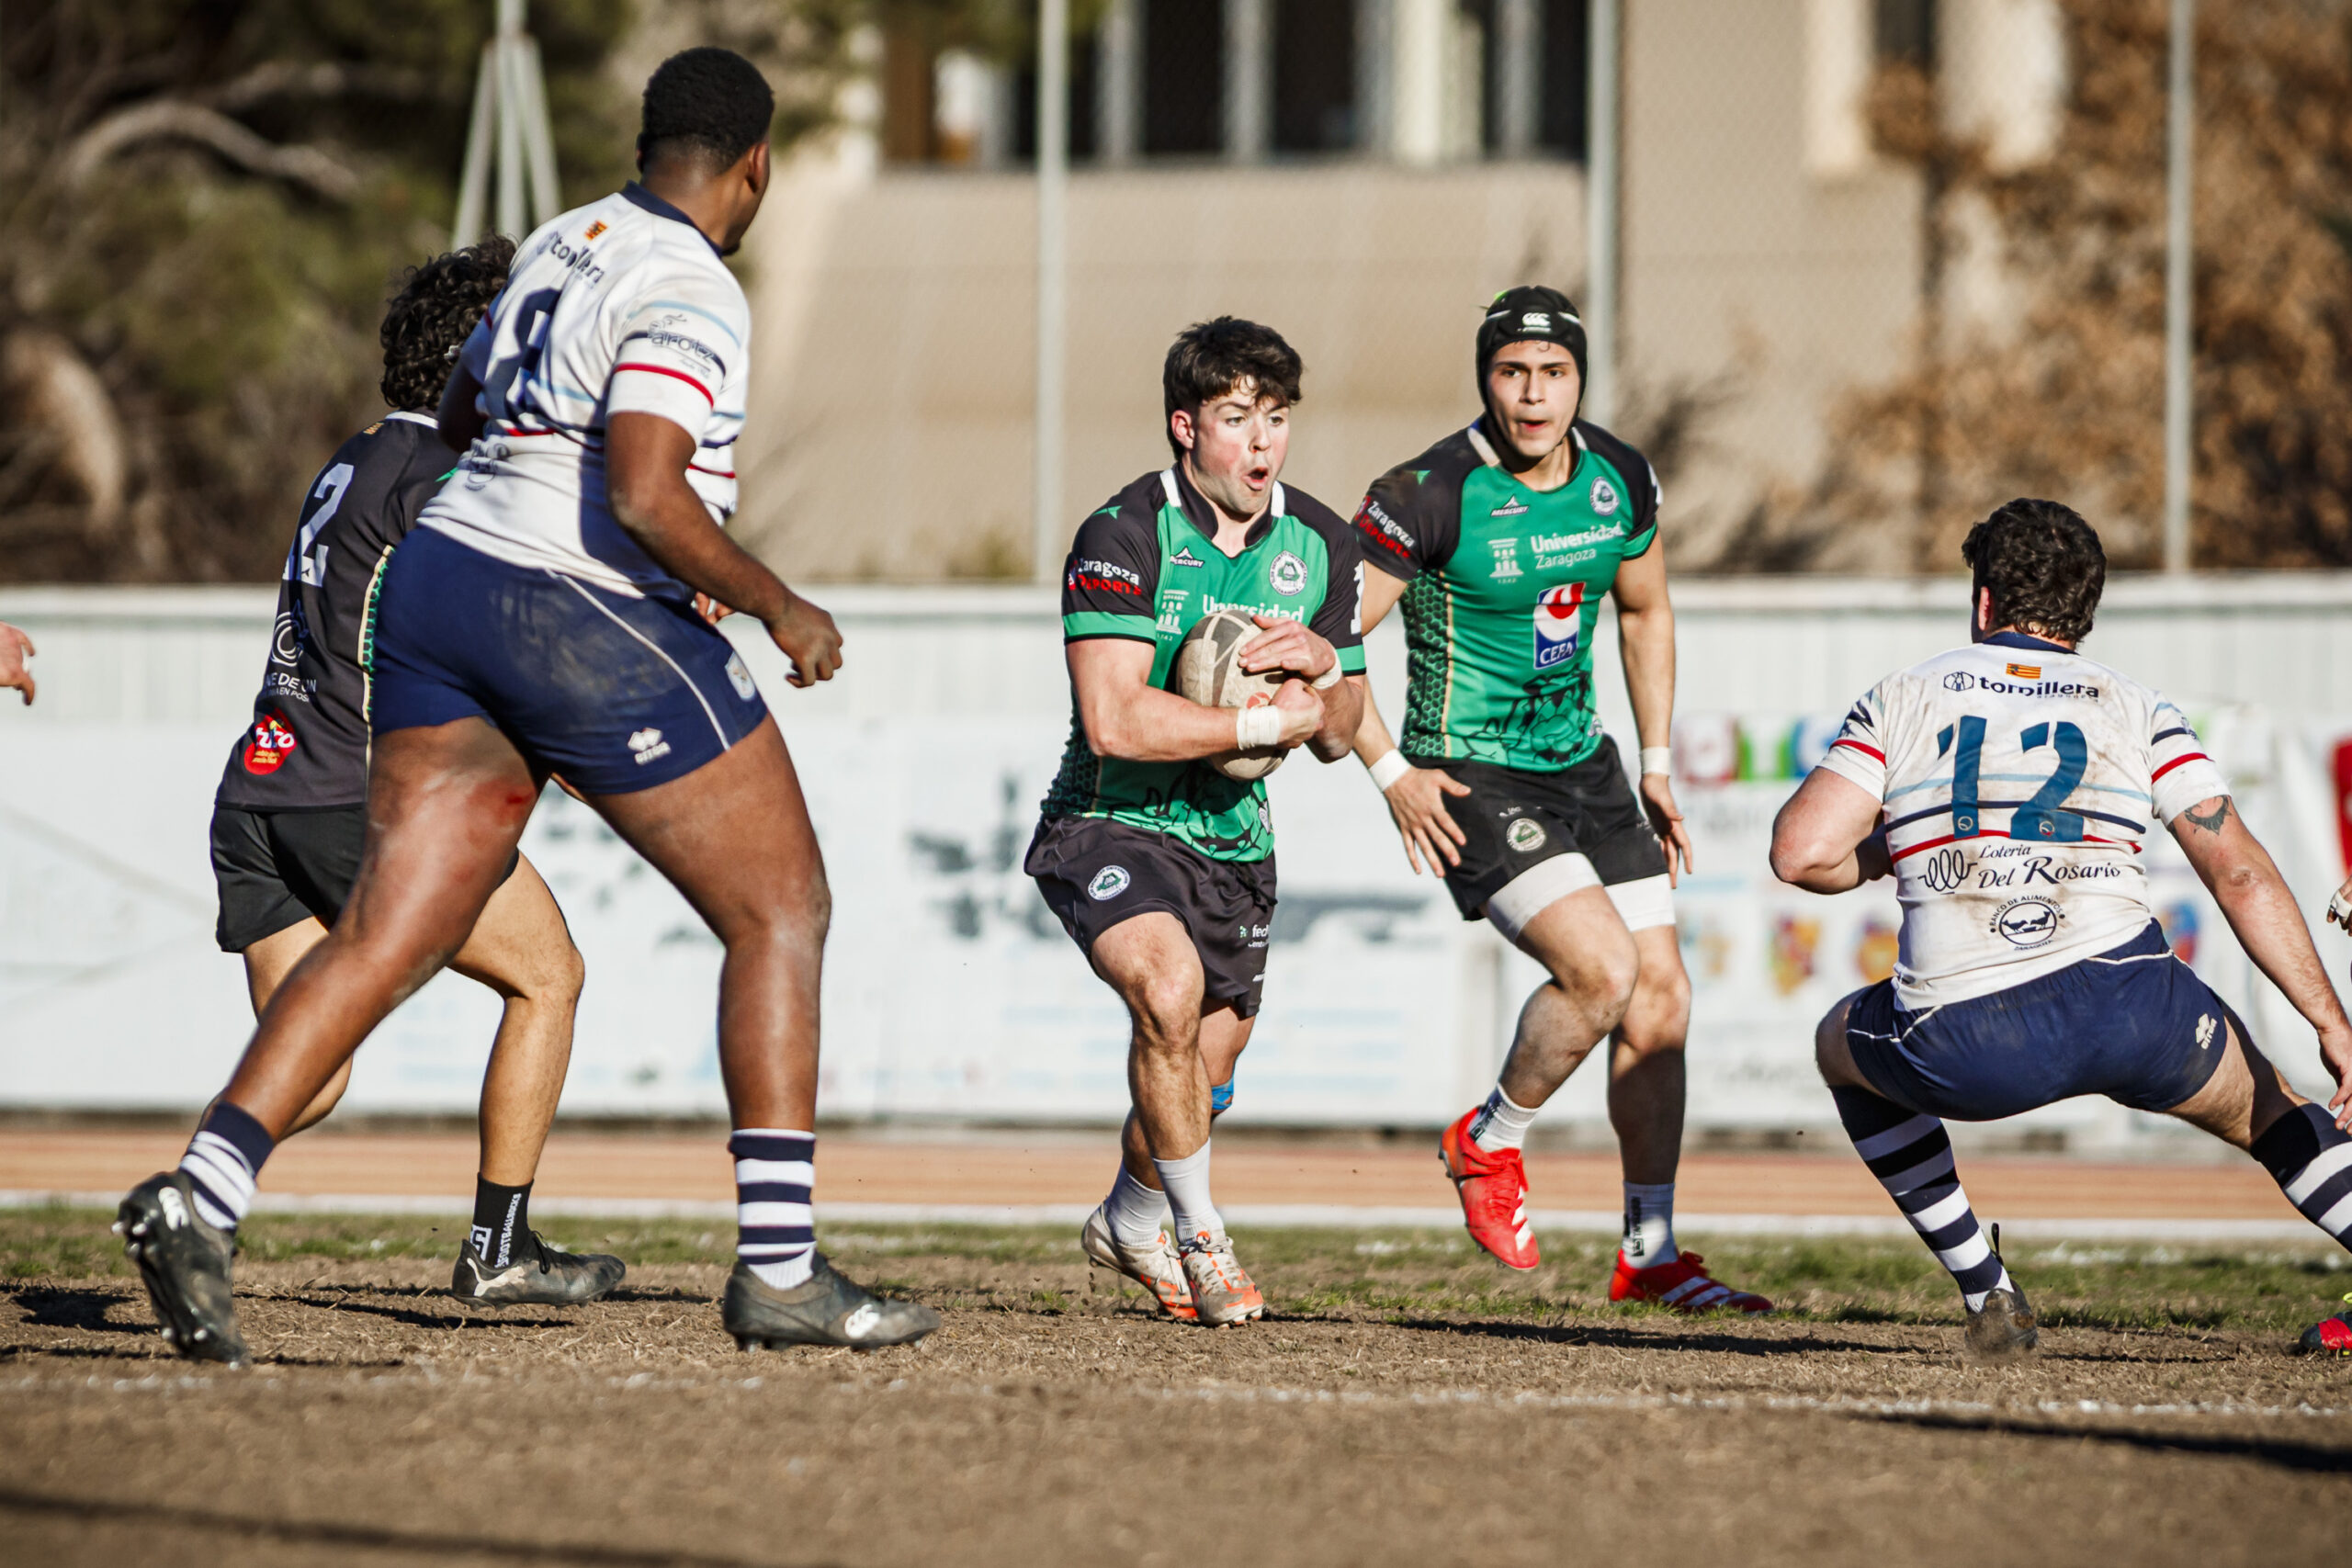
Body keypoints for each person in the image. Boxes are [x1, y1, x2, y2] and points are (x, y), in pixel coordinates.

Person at [117, 47, 936, 1366]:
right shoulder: (691, 284)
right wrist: (780, 601)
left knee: (387, 928)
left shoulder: (563, 239)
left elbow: (452, 409)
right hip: (568, 605)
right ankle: (780, 1265)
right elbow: (648, 489)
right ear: (756, 167)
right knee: (780, 906)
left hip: (442, 587)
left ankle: (201, 1190)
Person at [1770, 499, 2352, 1358]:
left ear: (1982, 602)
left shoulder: (1906, 694)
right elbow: (2238, 871)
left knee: (1837, 1045)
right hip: (2137, 1008)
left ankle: (1987, 1290)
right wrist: (2328, 1020)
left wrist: (1892, 854)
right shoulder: (2138, 707)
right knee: (2276, 1111)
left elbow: (1801, 854)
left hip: (1967, 1037)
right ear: (2088, 608)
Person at [205, 235, 619, 1307]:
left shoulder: (352, 459)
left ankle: (184, 1196)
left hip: (263, 788)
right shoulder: (447, 480)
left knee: (315, 1072)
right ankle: (500, 1249)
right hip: (359, 801)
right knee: (550, 977)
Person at [1348, 287, 1769, 1313]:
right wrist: (1389, 771)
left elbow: (1646, 609)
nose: (1532, 396)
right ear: (1484, 378)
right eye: (1510, 373)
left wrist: (1657, 764)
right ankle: (1487, 1140)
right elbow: (1331, 638)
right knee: (1601, 972)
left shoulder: (1618, 475)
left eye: (1553, 374)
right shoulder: (1425, 491)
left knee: (1661, 1000)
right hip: (1468, 772)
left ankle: (1650, 1250)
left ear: (1580, 379)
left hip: (1586, 765)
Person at [1036, 318, 1365, 1325]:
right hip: (1108, 819)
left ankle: (1133, 1215)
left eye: (1276, 419)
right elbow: (1115, 717)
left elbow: (1341, 732)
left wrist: (1319, 666)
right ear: (1186, 426)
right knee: (1167, 996)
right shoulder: (1123, 533)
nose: (1262, 444)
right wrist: (1264, 715)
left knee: (1199, 1073)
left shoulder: (1320, 544)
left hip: (1233, 843)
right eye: (1236, 419)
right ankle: (1202, 1238)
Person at [0, 622, 34, 705]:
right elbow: (31, 652)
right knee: (30, 686)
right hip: (13, 675)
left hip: (4, 674)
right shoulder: (15, 632)